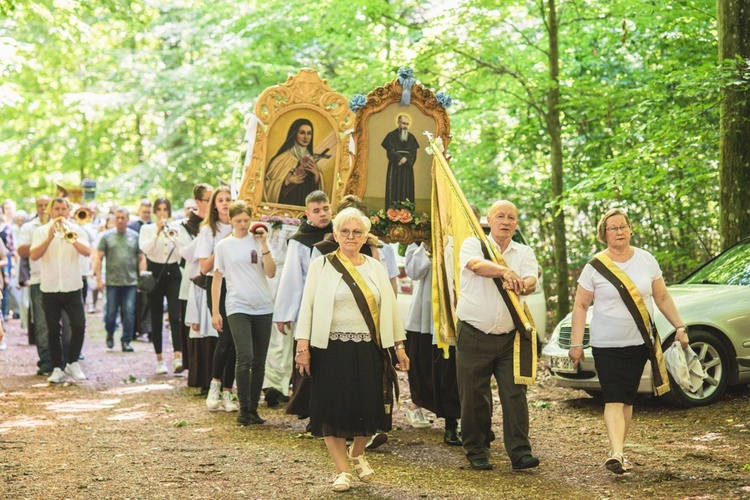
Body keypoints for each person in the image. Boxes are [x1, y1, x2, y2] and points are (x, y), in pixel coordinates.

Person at [294, 208, 410, 492]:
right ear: (335, 234)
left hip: (369, 346)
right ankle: (342, 470)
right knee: (331, 408)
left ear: (365, 236)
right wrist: (302, 346)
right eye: (344, 231)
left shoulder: (375, 267)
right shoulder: (321, 266)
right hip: (329, 347)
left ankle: (357, 453)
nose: (350, 236)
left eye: (357, 232)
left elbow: (391, 308)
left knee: (368, 405)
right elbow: (307, 306)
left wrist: (399, 346)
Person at [568, 208, 689, 474]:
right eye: (613, 228)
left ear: (630, 229)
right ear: (604, 234)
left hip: (638, 343)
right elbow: (580, 305)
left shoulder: (646, 260)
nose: (619, 231)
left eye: (623, 226)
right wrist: (576, 344)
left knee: (627, 399)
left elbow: (663, 298)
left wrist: (680, 326)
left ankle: (619, 453)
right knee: (613, 397)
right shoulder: (595, 266)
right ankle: (617, 452)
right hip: (606, 345)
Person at [455, 200, 540, 471]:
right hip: (473, 332)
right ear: (489, 220)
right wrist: (504, 271)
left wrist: (522, 284)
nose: (506, 222)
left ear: (516, 223)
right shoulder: (472, 244)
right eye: (500, 216)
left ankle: (520, 452)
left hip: (510, 336)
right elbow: (477, 266)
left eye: (511, 218)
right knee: (473, 394)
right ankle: (477, 450)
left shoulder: (524, 251)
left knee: (515, 393)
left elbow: (532, 280)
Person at [266, 190, 332, 407]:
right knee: (309, 355)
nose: (322, 214)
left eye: (325, 209)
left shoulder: (341, 234)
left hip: (336, 306)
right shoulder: (299, 241)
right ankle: (308, 404)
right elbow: (292, 280)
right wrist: (284, 314)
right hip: (310, 307)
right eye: (316, 211)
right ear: (307, 214)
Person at [212, 201, 276, 425]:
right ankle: (242, 407)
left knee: (259, 359)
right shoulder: (224, 246)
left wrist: (265, 244)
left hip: (263, 306)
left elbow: (271, 272)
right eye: (238, 221)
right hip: (237, 306)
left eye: (246, 220)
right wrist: (215, 311)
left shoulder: (258, 241)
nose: (242, 224)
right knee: (245, 355)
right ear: (230, 220)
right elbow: (217, 280)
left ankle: (252, 409)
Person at [30, 197, 91, 383]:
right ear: (51, 211)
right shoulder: (41, 231)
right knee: (52, 330)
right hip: (49, 287)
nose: (60, 212)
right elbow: (33, 255)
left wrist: (72, 238)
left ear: (68, 211)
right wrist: (49, 237)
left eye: (64, 209)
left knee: (79, 325)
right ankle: (57, 367)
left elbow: (87, 252)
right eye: (56, 209)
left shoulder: (77, 230)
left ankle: (72, 362)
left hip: (72, 286)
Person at [195, 186, 238, 412]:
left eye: (228, 199)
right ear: (213, 204)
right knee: (226, 338)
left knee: (234, 342)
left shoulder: (240, 226)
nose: (224, 203)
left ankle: (229, 392)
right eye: (220, 200)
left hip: (237, 286)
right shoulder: (208, 231)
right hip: (217, 286)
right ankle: (215, 385)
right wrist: (225, 243)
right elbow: (203, 267)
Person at [177, 183, 215, 391]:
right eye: (209, 200)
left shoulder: (217, 225)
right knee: (194, 329)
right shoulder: (186, 226)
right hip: (192, 279)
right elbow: (186, 253)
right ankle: (196, 373)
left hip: (211, 280)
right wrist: (205, 236)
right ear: (199, 202)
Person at [139, 197, 182, 375]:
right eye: (160, 209)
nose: (162, 212)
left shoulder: (177, 227)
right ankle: (159, 359)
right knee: (156, 317)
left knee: (175, 316)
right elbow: (146, 250)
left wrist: (172, 236)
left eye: (165, 209)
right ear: (155, 211)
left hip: (173, 272)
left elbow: (182, 251)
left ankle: (178, 357)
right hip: (155, 273)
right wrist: (157, 232)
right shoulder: (147, 228)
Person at [94, 207, 145, 352]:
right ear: (114, 219)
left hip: (130, 282)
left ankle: (126, 341)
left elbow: (141, 258)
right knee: (111, 313)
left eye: (123, 218)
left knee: (129, 312)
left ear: (128, 220)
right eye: (118, 218)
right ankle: (110, 333)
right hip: (112, 282)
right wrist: (99, 279)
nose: (120, 221)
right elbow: (98, 258)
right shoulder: (106, 236)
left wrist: (142, 277)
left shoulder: (135, 236)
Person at [17, 196, 56, 374]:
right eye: (39, 205)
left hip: (59, 279)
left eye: (46, 205)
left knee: (61, 321)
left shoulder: (60, 224)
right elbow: (21, 251)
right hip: (38, 279)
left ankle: (62, 359)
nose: (43, 208)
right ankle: (46, 361)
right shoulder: (28, 227)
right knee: (41, 323)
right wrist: (43, 240)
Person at [263, 118, 324, 206]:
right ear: (294, 134)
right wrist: (288, 181)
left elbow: (317, 193)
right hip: (285, 208)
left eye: (309, 133)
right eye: (302, 133)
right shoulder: (282, 159)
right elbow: (266, 186)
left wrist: (317, 176)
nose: (306, 137)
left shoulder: (313, 161)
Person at [381, 114, 419, 210]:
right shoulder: (391, 136)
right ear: (398, 123)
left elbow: (413, 153)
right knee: (394, 189)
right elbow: (390, 150)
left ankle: (407, 214)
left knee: (407, 189)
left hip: (407, 168)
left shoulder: (411, 138)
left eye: (407, 124)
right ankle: (391, 213)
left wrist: (406, 159)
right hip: (395, 167)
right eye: (403, 123)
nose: (405, 126)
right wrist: (399, 158)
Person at [129, 199, 153, 341]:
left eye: (148, 212)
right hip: (134, 269)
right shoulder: (131, 227)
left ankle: (149, 331)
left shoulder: (154, 227)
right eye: (143, 212)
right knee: (135, 302)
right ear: (139, 211)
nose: (146, 214)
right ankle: (134, 330)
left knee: (149, 302)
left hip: (151, 268)